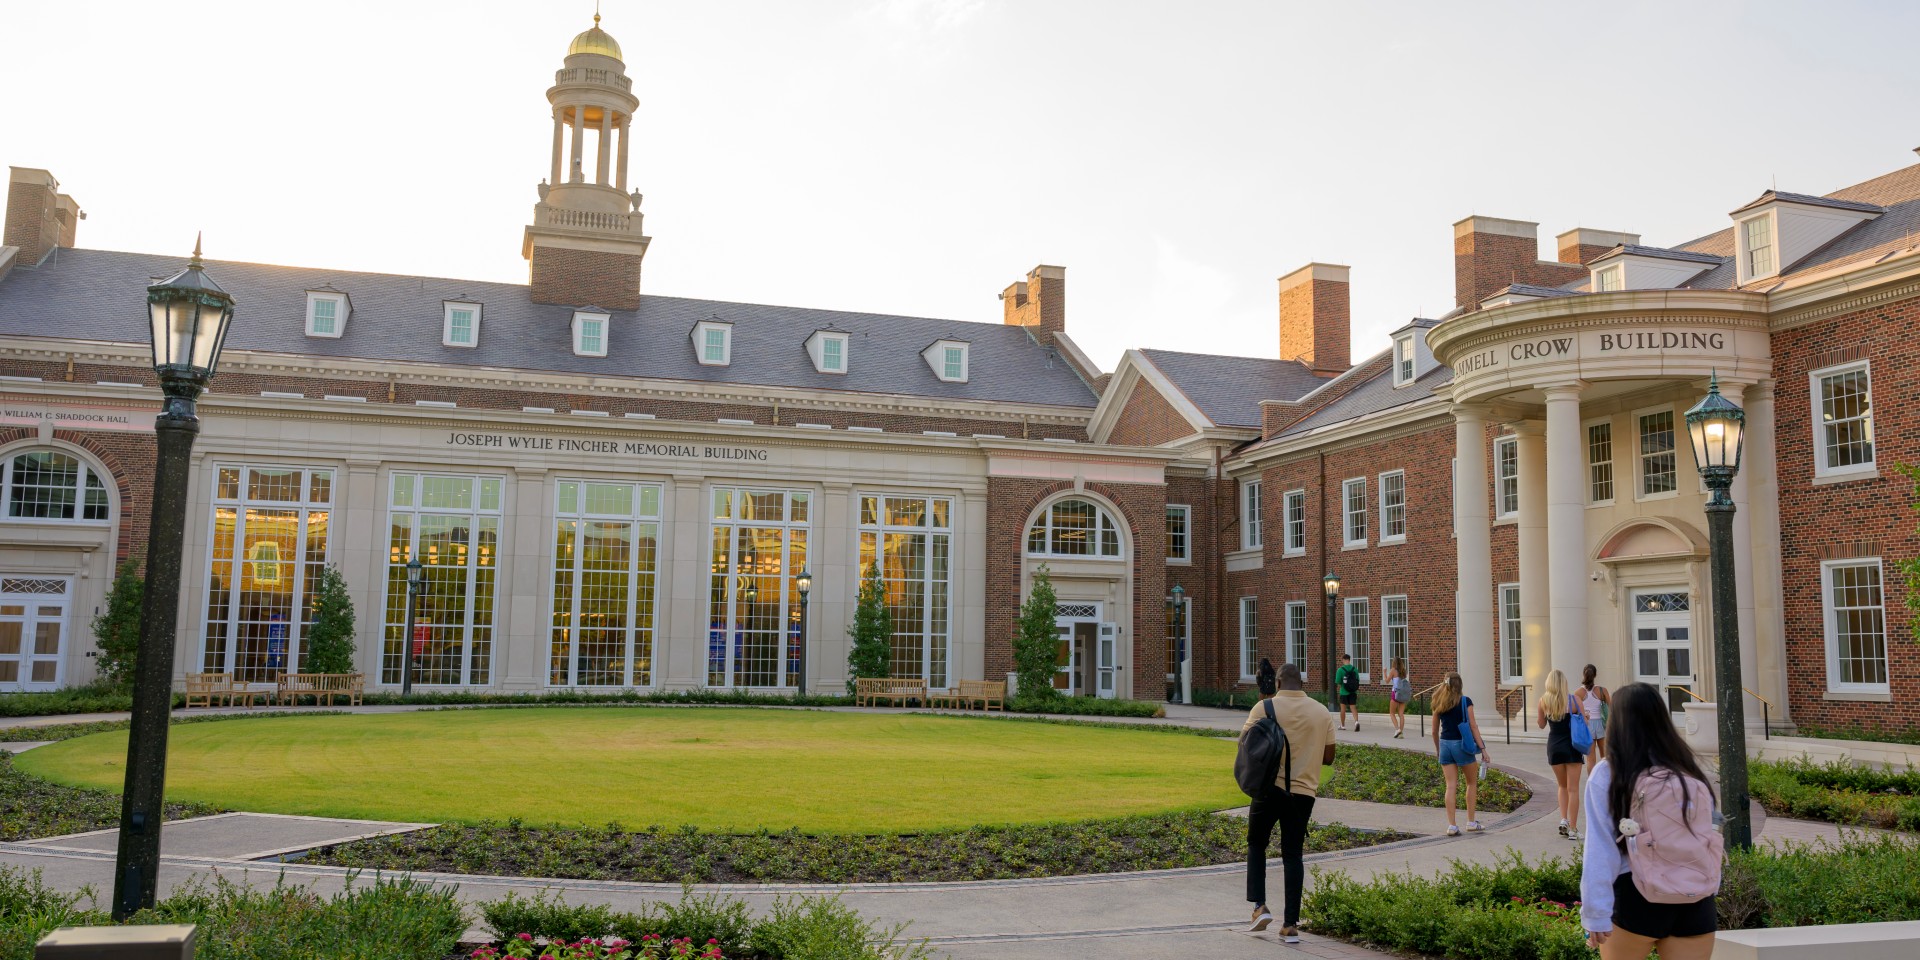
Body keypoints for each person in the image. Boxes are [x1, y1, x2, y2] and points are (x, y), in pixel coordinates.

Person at [1580, 683, 1720, 959]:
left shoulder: (1609, 773)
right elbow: (1709, 836)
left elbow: (1600, 850)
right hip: (1693, 898)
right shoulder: (1689, 768)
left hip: (1635, 895)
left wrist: (1595, 914)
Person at [1243, 658, 1336, 943]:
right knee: (1293, 854)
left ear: (1279, 683)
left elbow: (1244, 744)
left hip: (1269, 789)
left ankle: (1259, 907)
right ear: (1303, 684)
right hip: (1303, 793)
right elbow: (1329, 757)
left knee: (1257, 843)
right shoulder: (1322, 713)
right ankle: (1290, 925)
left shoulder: (1265, 707)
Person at [1429, 670, 1488, 836]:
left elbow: (1434, 731)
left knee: (1450, 786)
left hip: (1445, 744)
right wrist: (1482, 748)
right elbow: (1473, 726)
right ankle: (1470, 822)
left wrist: (1438, 749)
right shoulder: (1465, 701)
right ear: (1460, 685)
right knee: (1471, 783)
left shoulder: (1437, 701)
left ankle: (1452, 826)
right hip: (1462, 745)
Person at [1538, 668, 1586, 840]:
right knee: (1573, 789)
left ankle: (1563, 820)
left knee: (1562, 786)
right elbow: (1585, 723)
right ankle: (1573, 829)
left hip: (1554, 746)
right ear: (1564, 683)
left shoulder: (1543, 701)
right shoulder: (1574, 700)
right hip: (1572, 746)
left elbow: (1541, 724)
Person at [1581, 663, 1611, 767]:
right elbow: (1611, 707)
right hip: (1601, 724)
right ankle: (1605, 780)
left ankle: (1592, 781)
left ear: (1583, 675)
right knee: (1605, 757)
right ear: (1595, 675)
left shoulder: (1578, 692)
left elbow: (1575, 711)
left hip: (1587, 724)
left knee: (1590, 759)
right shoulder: (1602, 690)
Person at [1333, 654, 1361, 731]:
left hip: (1343, 692)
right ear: (1349, 660)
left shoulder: (1340, 670)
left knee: (1343, 709)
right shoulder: (1354, 669)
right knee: (1353, 707)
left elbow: (1338, 681)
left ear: (1343, 660)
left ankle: (1342, 725)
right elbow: (1357, 680)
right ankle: (1356, 722)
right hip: (1353, 692)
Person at [1386, 657, 1410, 738]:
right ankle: (1401, 732)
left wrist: (1384, 672)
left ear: (1394, 663)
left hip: (1395, 693)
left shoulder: (1393, 670)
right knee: (1401, 714)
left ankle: (1397, 730)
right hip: (1403, 694)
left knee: (1392, 713)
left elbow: (1387, 681)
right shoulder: (1403, 671)